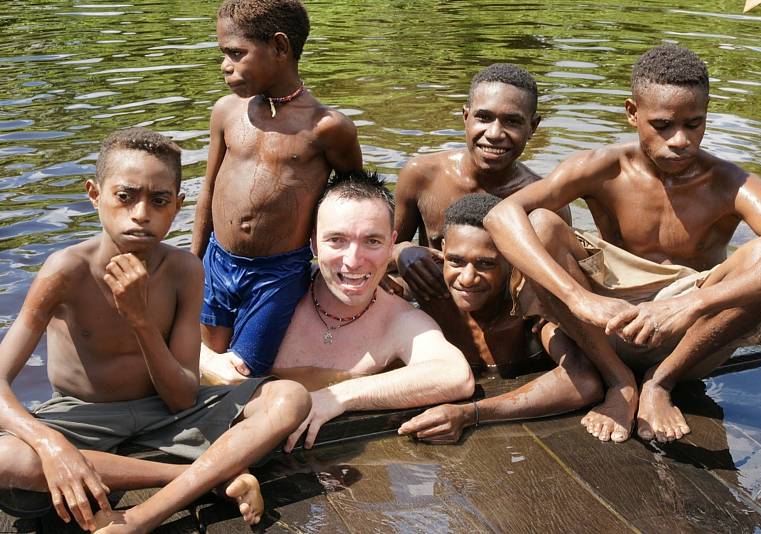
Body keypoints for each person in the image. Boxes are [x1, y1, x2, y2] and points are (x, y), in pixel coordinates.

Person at [484, 44, 761, 444]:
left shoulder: (732, 182)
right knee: (542, 225)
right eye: (663, 125)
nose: (680, 140)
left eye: (694, 124)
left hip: (688, 339)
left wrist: (691, 304)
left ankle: (658, 384)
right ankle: (620, 382)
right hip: (604, 325)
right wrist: (579, 298)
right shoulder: (602, 167)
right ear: (633, 113)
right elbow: (501, 215)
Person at [0, 129, 311, 533]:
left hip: (167, 417)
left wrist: (141, 321)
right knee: (6, 456)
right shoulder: (66, 270)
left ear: (177, 206)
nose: (141, 214)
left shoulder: (184, 271)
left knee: (289, 397)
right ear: (95, 194)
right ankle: (208, 476)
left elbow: (182, 396)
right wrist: (50, 445)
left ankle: (140, 517)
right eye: (125, 197)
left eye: (159, 201)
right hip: (84, 418)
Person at [192, 0, 362, 383]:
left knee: (244, 372)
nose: (225, 65)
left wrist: (355, 266)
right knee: (211, 358)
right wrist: (194, 261)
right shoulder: (226, 112)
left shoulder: (327, 128)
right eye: (224, 54)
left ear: (280, 48)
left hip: (277, 273)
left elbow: (355, 200)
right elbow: (208, 189)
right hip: (218, 262)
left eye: (236, 53)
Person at [269, 170, 475, 451]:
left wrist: (339, 396)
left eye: (372, 242)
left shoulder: (398, 319)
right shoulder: (275, 294)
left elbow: (455, 375)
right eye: (336, 240)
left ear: (392, 244)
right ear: (314, 242)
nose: (353, 261)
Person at [398, 193, 602, 443]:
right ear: (442, 250)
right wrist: (402, 252)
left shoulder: (532, 314)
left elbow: (584, 381)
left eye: (485, 264)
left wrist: (470, 413)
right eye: (456, 261)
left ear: (511, 259)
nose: (467, 278)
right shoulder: (430, 291)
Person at [391, 63, 569, 302]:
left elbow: (558, 286)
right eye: (483, 117)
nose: (494, 133)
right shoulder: (423, 176)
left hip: (506, 320)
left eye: (512, 122)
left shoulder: (545, 201)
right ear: (466, 117)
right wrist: (401, 251)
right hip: (436, 306)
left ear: (532, 127)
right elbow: (381, 248)